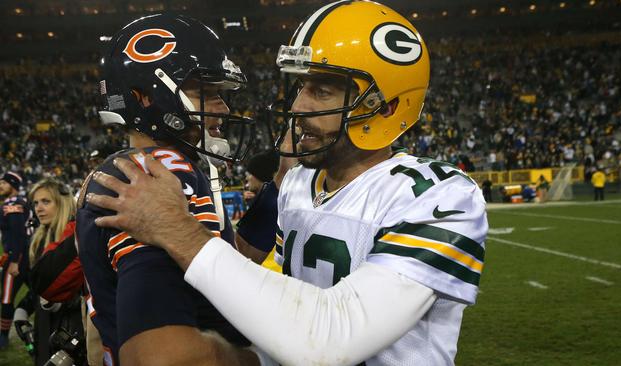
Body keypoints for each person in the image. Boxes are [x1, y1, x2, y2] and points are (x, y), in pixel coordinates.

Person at [88, 1, 488, 365]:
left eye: (322, 90)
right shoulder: (298, 184)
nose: (298, 106)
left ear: (383, 106)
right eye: (300, 87)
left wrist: (180, 232)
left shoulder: (440, 194)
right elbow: (277, 308)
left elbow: (334, 340)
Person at [76, 14, 259, 366]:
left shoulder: (128, 168)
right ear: (146, 97)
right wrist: (258, 359)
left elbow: (98, 325)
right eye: (206, 93)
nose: (224, 108)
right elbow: (163, 357)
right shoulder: (160, 173)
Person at [13, 178, 84, 365]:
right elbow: (37, 290)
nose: (38, 208)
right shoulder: (38, 239)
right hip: (44, 329)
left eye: (46, 201)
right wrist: (23, 309)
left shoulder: (76, 238)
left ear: (62, 203)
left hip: (71, 330)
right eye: (36, 203)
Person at [0, 171, 30, 349]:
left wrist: (14, 260)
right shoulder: (19, 203)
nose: (0, 186)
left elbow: (18, 236)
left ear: (13, 185)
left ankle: (3, 336)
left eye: (3, 183)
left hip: (16, 258)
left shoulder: (13, 205)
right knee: (36, 289)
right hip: (24, 257)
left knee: (7, 297)